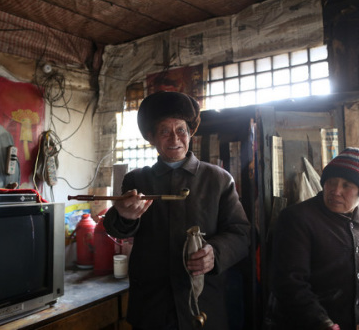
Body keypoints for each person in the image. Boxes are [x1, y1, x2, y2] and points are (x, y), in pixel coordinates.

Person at [103, 91, 251, 330]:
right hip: (152, 305)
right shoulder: (137, 180)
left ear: (190, 133)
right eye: (164, 131)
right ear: (151, 137)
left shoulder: (218, 179)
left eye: (181, 130)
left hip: (203, 304)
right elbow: (115, 228)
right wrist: (123, 216)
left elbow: (242, 234)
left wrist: (216, 253)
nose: (175, 138)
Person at [265, 147, 359, 330]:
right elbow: (289, 283)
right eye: (331, 182)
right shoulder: (298, 219)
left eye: (346, 185)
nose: (336, 191)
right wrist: (322, 322)